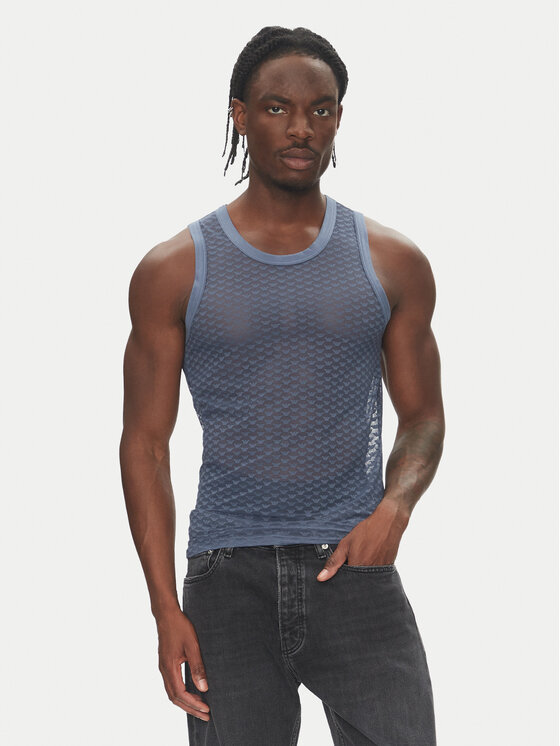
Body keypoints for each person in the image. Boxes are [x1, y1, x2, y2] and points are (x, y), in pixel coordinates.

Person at [120, 25, 445, 746]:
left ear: (338, 118)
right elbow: (145, 443)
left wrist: (394, 509)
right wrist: (165, 608)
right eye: (277, 108)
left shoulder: (392, 262)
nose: (302, 128)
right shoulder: (174, 270)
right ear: (240, 114)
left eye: (320, 110)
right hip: (226, 577)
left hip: (354, 569)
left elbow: (423, 416)